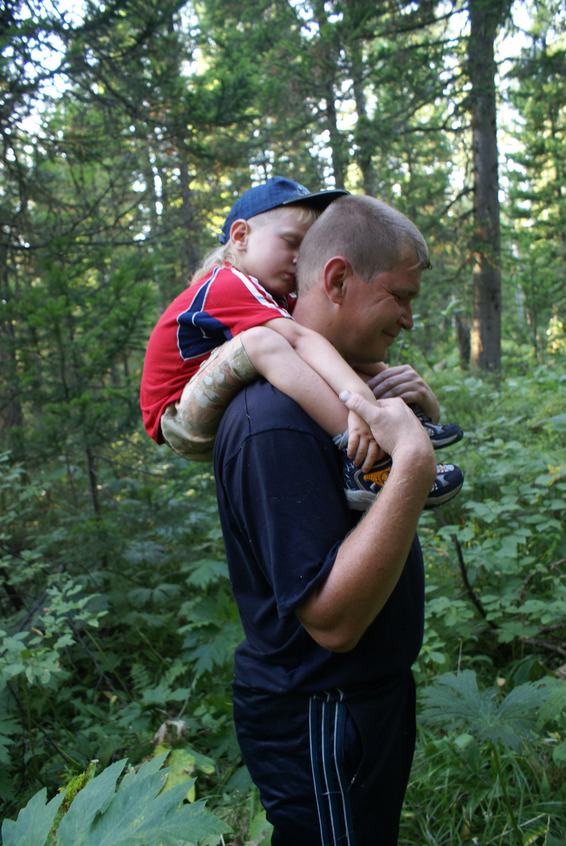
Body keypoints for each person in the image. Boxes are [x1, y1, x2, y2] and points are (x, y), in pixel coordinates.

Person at [213, 194, 445, 844]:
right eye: (399, 296)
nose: (409, 317)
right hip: (320, 710)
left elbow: (378, 518)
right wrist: (412, 464)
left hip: (362, 700)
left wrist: (420, 425)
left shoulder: (350, 399)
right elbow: (333, 620)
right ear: (338, 279)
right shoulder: (273, 421)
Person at [140, 176, 463, 510]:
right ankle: (365, 459)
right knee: (265, 343)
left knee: (318, 351)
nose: (299, 257)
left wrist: (398, 390)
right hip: (177, 412)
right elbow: (300, 340)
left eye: (307, 247)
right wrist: (361, 401)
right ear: (241, 237)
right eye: (292, 242)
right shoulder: (227, 282)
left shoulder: (272, 297)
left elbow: (322, 348)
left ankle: (401, 428)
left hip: (206, 397)